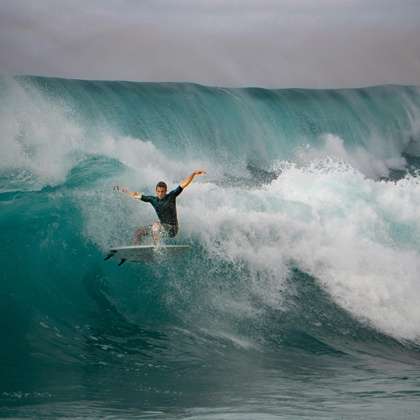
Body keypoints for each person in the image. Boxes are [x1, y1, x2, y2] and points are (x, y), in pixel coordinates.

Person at [114, 170, 205, 244]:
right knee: (139, 232)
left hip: (172, 229)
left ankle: (157, 248)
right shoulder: (153, 200)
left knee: (156, 225)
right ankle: (135, 249)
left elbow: (184, 184)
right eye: (158, 191)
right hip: (161, 229)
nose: (160, 193)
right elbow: (135, 195)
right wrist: (122, 190)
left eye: (162, 191)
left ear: (166, 191)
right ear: (156, 191)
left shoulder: (171, 196)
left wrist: (193, 174)